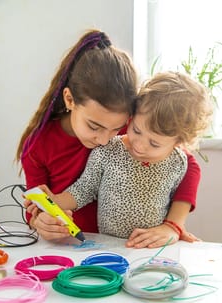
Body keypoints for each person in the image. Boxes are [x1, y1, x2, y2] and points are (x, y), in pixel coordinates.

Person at [16, 29, 201, 245]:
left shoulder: (134, 134)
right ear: (70, 100)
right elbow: (36, 211)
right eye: (94, 126)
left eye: (117, 128)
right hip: (75, 246)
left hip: (135, 247)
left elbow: (187, 164)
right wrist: (41, 219)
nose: (104, 140)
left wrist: (173, 225)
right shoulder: (39, 145)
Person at [38, 71, 213, 248]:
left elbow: (179, 198)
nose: (140, 145)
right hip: (109, 244)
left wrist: (172, 227)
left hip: (153, 247)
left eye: (154, 143)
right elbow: (84, 190)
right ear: (133, 116)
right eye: (136, 130)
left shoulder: (178, 162)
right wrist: (51, 202)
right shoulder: (108, 150)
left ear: (178, 142)